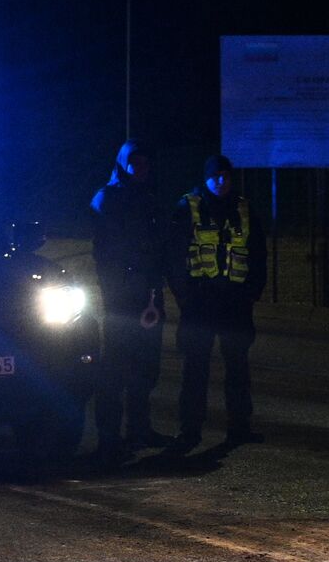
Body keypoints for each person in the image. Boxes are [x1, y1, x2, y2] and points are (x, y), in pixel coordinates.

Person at [166, 154, 267, 453]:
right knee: (195, 370)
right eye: (216, 176)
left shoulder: (243, 207)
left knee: (238, 369)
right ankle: (189, 430)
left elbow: (258, 253)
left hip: (235, 303)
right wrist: (184, 296)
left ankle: (239, 427)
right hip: (200, 302)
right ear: (206, 177)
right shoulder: (188, 207)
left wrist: (252, 292)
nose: (222, 181)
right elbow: (174, 257)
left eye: (226, 176)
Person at [89, 139, 170, 463]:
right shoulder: (108, 198)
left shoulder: (150, 197)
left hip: (149, 294)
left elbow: (158, 243)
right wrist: (118, 289)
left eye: (145, 163)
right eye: (134, 163)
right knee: (115, 370)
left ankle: (140, 428)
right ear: (124, 164)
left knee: (146, 368)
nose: (140, 169)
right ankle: (108, 437)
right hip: (122, 297)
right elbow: (105, 253)